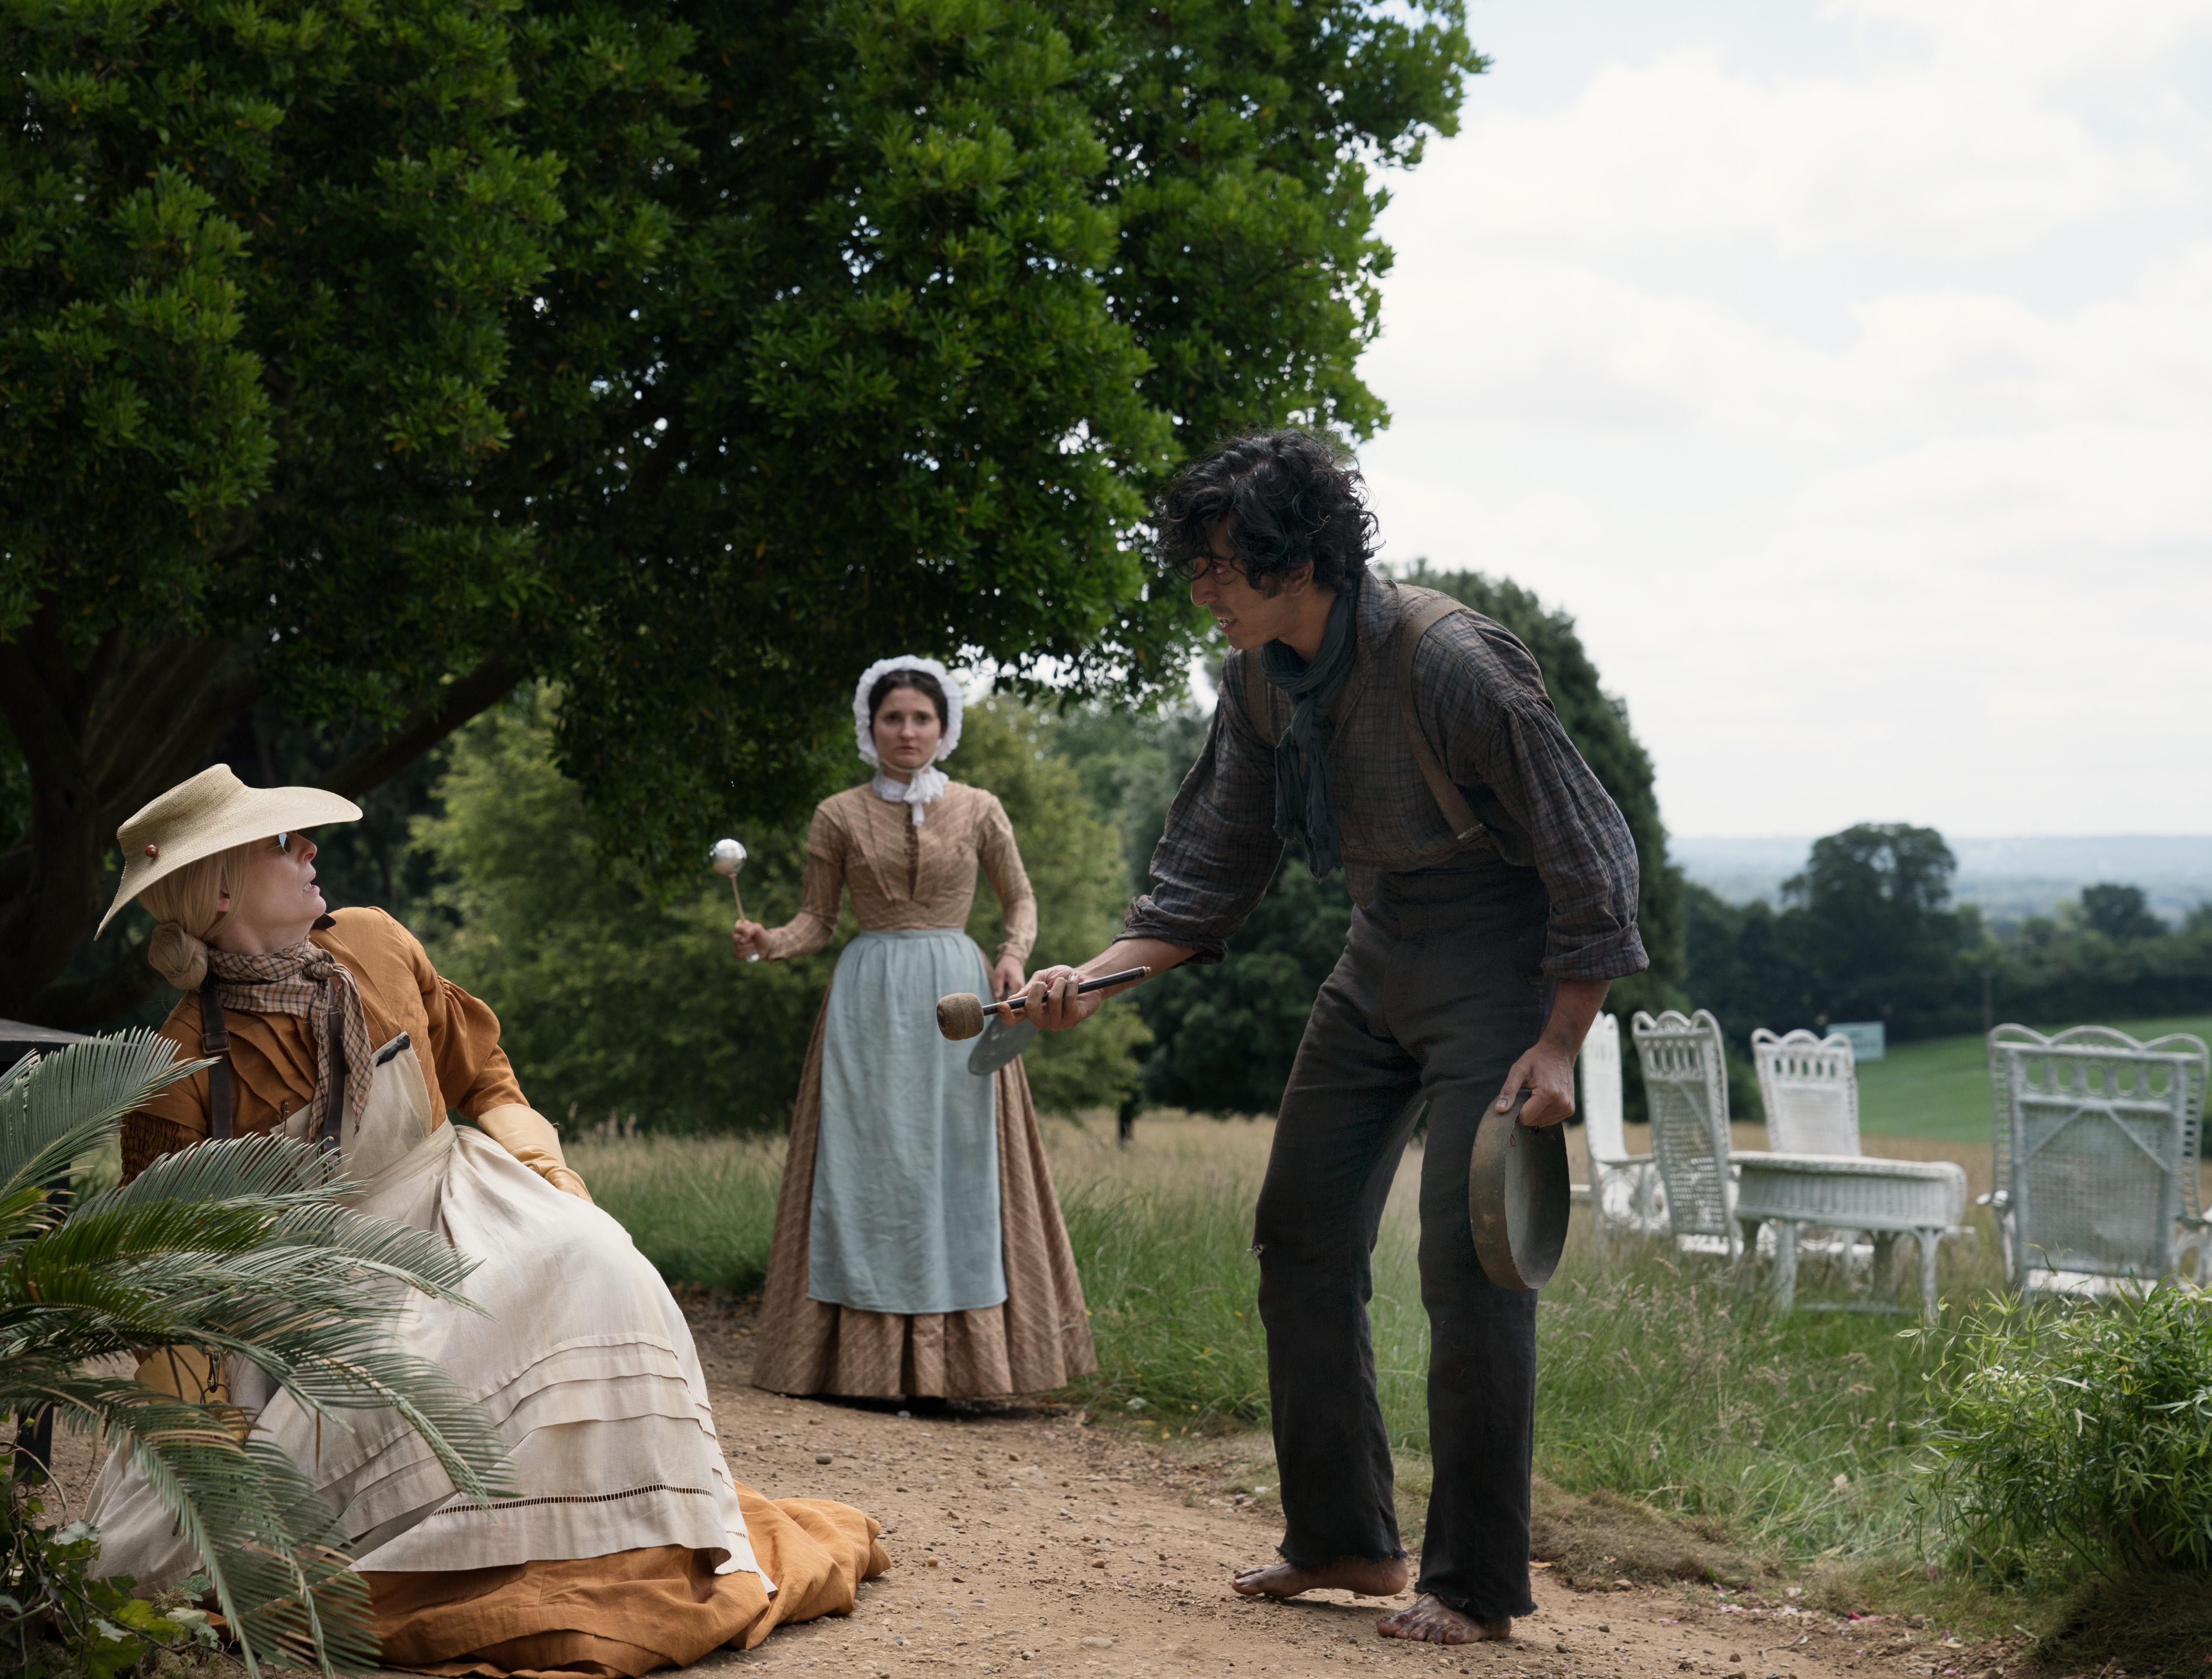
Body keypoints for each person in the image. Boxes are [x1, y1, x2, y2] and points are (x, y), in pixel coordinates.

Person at [1014, 431, 1648, 1646]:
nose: (1200, 590)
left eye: (1218, 565)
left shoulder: (1451, 662)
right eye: (1195, 564)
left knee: (1470, 1264)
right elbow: (1209, 869)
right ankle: (1347, 1539)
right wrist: (1089, 982)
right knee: (1300, 1231)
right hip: (1378, 949)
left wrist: (1562, 1041)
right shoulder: (1260, 678)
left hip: (1499, 961)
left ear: (1298, 559)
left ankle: (1473, 1585)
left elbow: (1595, 853)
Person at [83, 765, 888, 1677]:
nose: (308, 848)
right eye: (280, 842)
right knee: (250, 1503)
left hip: (453, 1197)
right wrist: (209, 1447)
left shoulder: (376, 942)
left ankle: (619, 1521)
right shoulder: (179, 1068)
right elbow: (174, 1284)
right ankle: (477, 1540)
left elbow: (482, 1072)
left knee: (593, 1252)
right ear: (220, 891)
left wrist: (550, 1174)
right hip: (317, 1283)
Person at [733, 656, 1094, 1403]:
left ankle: (970, 1366)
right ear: (870, 728)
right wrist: (769, 941)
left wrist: (1013, 955)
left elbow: (1020, 899)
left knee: (961, 1157)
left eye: (921, 718)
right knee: (866, 1163)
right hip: (868, 1001)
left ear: (943, 727)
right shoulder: (837, 814)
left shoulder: (980, 808)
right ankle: (853, 1363)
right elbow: (818, 920)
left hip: (961, 995)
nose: (907, 731)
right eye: (893, 718)